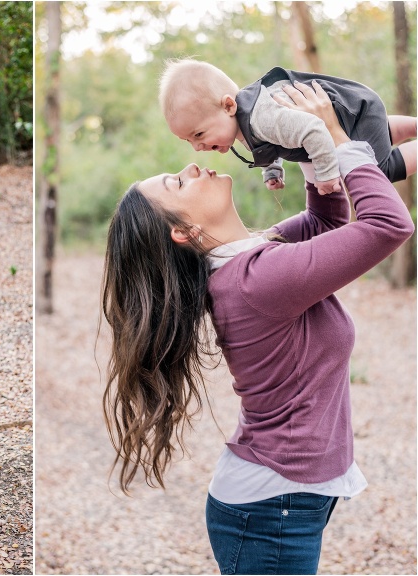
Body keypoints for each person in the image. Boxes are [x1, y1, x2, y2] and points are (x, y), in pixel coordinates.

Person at [101, 81, 413, 574]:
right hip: (272, 508)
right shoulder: (255, 282)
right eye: (178, 182)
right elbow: (386, 226)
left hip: (280, 499)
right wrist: (332, 131)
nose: (192, 166)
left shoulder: (251, 258)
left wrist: (311, 143)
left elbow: (324, 224)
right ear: (184, 232)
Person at [158, 58, 417, 194]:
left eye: (199, 134)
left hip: (356, 112)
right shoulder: (246, 123)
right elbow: (272, 143)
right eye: (189, 141)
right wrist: (272, 171)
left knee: (377, 172)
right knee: (366, 144)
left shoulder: (261, 118)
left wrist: (327, 174)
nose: (197, 146)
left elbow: (313, 129)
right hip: (355, 115)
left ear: (228, 106)